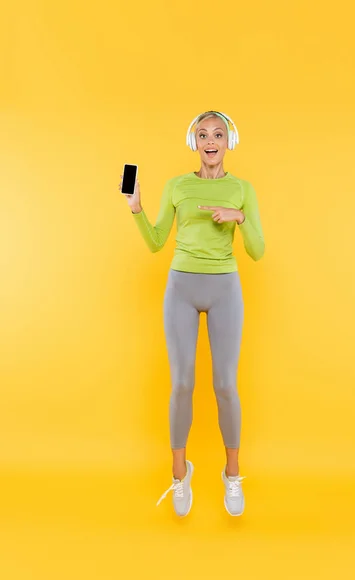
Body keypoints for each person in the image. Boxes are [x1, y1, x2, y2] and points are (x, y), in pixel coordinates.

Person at [119, 110, 265, 517]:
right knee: (182, 382)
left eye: (218, 134)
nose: (211, 140)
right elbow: (155, 242)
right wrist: (136, 208)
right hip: (181, 287)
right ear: (194, 142)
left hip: (225, 289)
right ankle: (179, 472)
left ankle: (231, 473)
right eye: (203, 134)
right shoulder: (177, 187)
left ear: (229, 140)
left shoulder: (242, 190)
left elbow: (258, 250)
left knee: (225, 385)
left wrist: (241, 218)